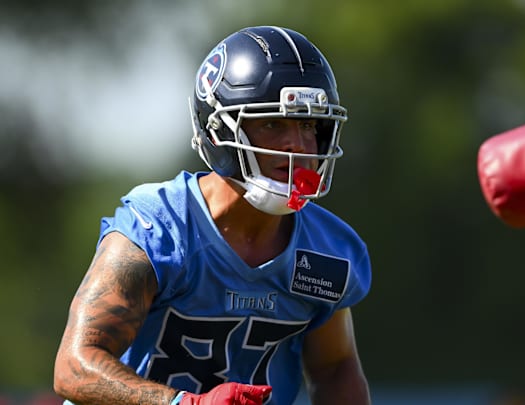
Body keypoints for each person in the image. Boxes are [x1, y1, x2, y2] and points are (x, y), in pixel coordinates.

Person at [53, 26, 372, 405]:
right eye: (273, 124)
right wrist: (185, 404)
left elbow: (334, 368)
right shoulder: (160, 229)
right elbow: (75, 367)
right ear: (219, 130)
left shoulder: (327, 251)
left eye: (308, 125)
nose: (298, 145)